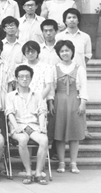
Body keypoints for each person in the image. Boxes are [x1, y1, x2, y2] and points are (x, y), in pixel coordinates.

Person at [6, 65, 49, 185]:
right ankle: (28, 172)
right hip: (18, 125)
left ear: (31, 78)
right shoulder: (10, 96)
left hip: (34, 126)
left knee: (44, 140)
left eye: (27, 77)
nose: (24, 79)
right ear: (16, 78)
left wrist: (42, 127)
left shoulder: (38, 95)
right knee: (23, 139)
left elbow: (42, 112)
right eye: (21, 77)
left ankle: (38, 173)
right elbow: (9, 113)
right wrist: (16, 127)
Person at [53, 40, 88, 174]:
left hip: (74, 101)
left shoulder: (79, 68)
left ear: (72, 52)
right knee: (59, 133)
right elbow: (51, 88)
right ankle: (61, 162)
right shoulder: (54, 68)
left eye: (67, 50)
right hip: (59, 101)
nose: (65, 53)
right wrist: (50, 103)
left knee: (74, 133)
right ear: (58, 53)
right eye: (62, 51)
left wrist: (83, 102)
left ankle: (73, 162)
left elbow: (83, 86)